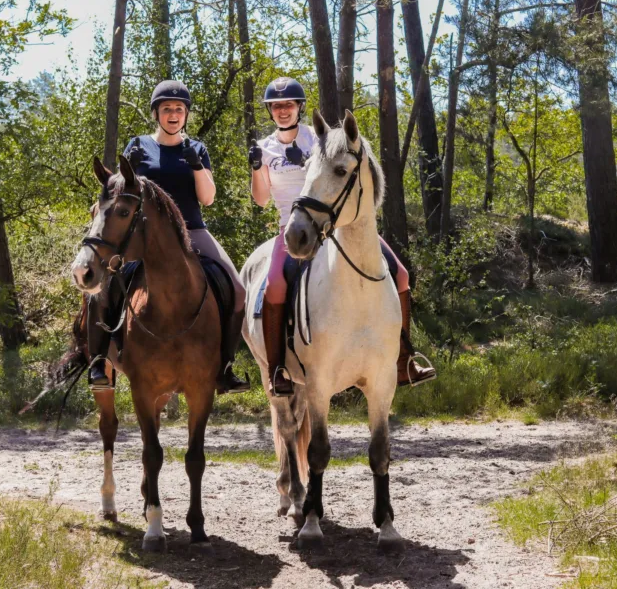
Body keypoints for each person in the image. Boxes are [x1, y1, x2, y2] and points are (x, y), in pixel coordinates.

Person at [248, 76, 436, 395]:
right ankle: (277, 368)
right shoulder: (265, 149)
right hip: (292, 228)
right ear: (270, 111)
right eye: (276, 106)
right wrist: (256, 169)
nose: (282, 111)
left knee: (400, 274)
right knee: (276, 285)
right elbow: (262, 199)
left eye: (289, 105)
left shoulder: (318, 138)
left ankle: (403, 359)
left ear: (299, 108)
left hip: (338, 223)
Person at [88, 79, 249, 394]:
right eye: (166, 109)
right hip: (144, 238)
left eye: (179, 109)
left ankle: (225, 367)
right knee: (103, 285)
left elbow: (208, 198)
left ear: (186, 114)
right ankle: (98, 360)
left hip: (192, 231)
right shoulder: (138, 146)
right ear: (156, 113)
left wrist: (197, 166)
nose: (173, 114)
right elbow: (117, 193)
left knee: (239, 290)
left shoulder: (197, 148)